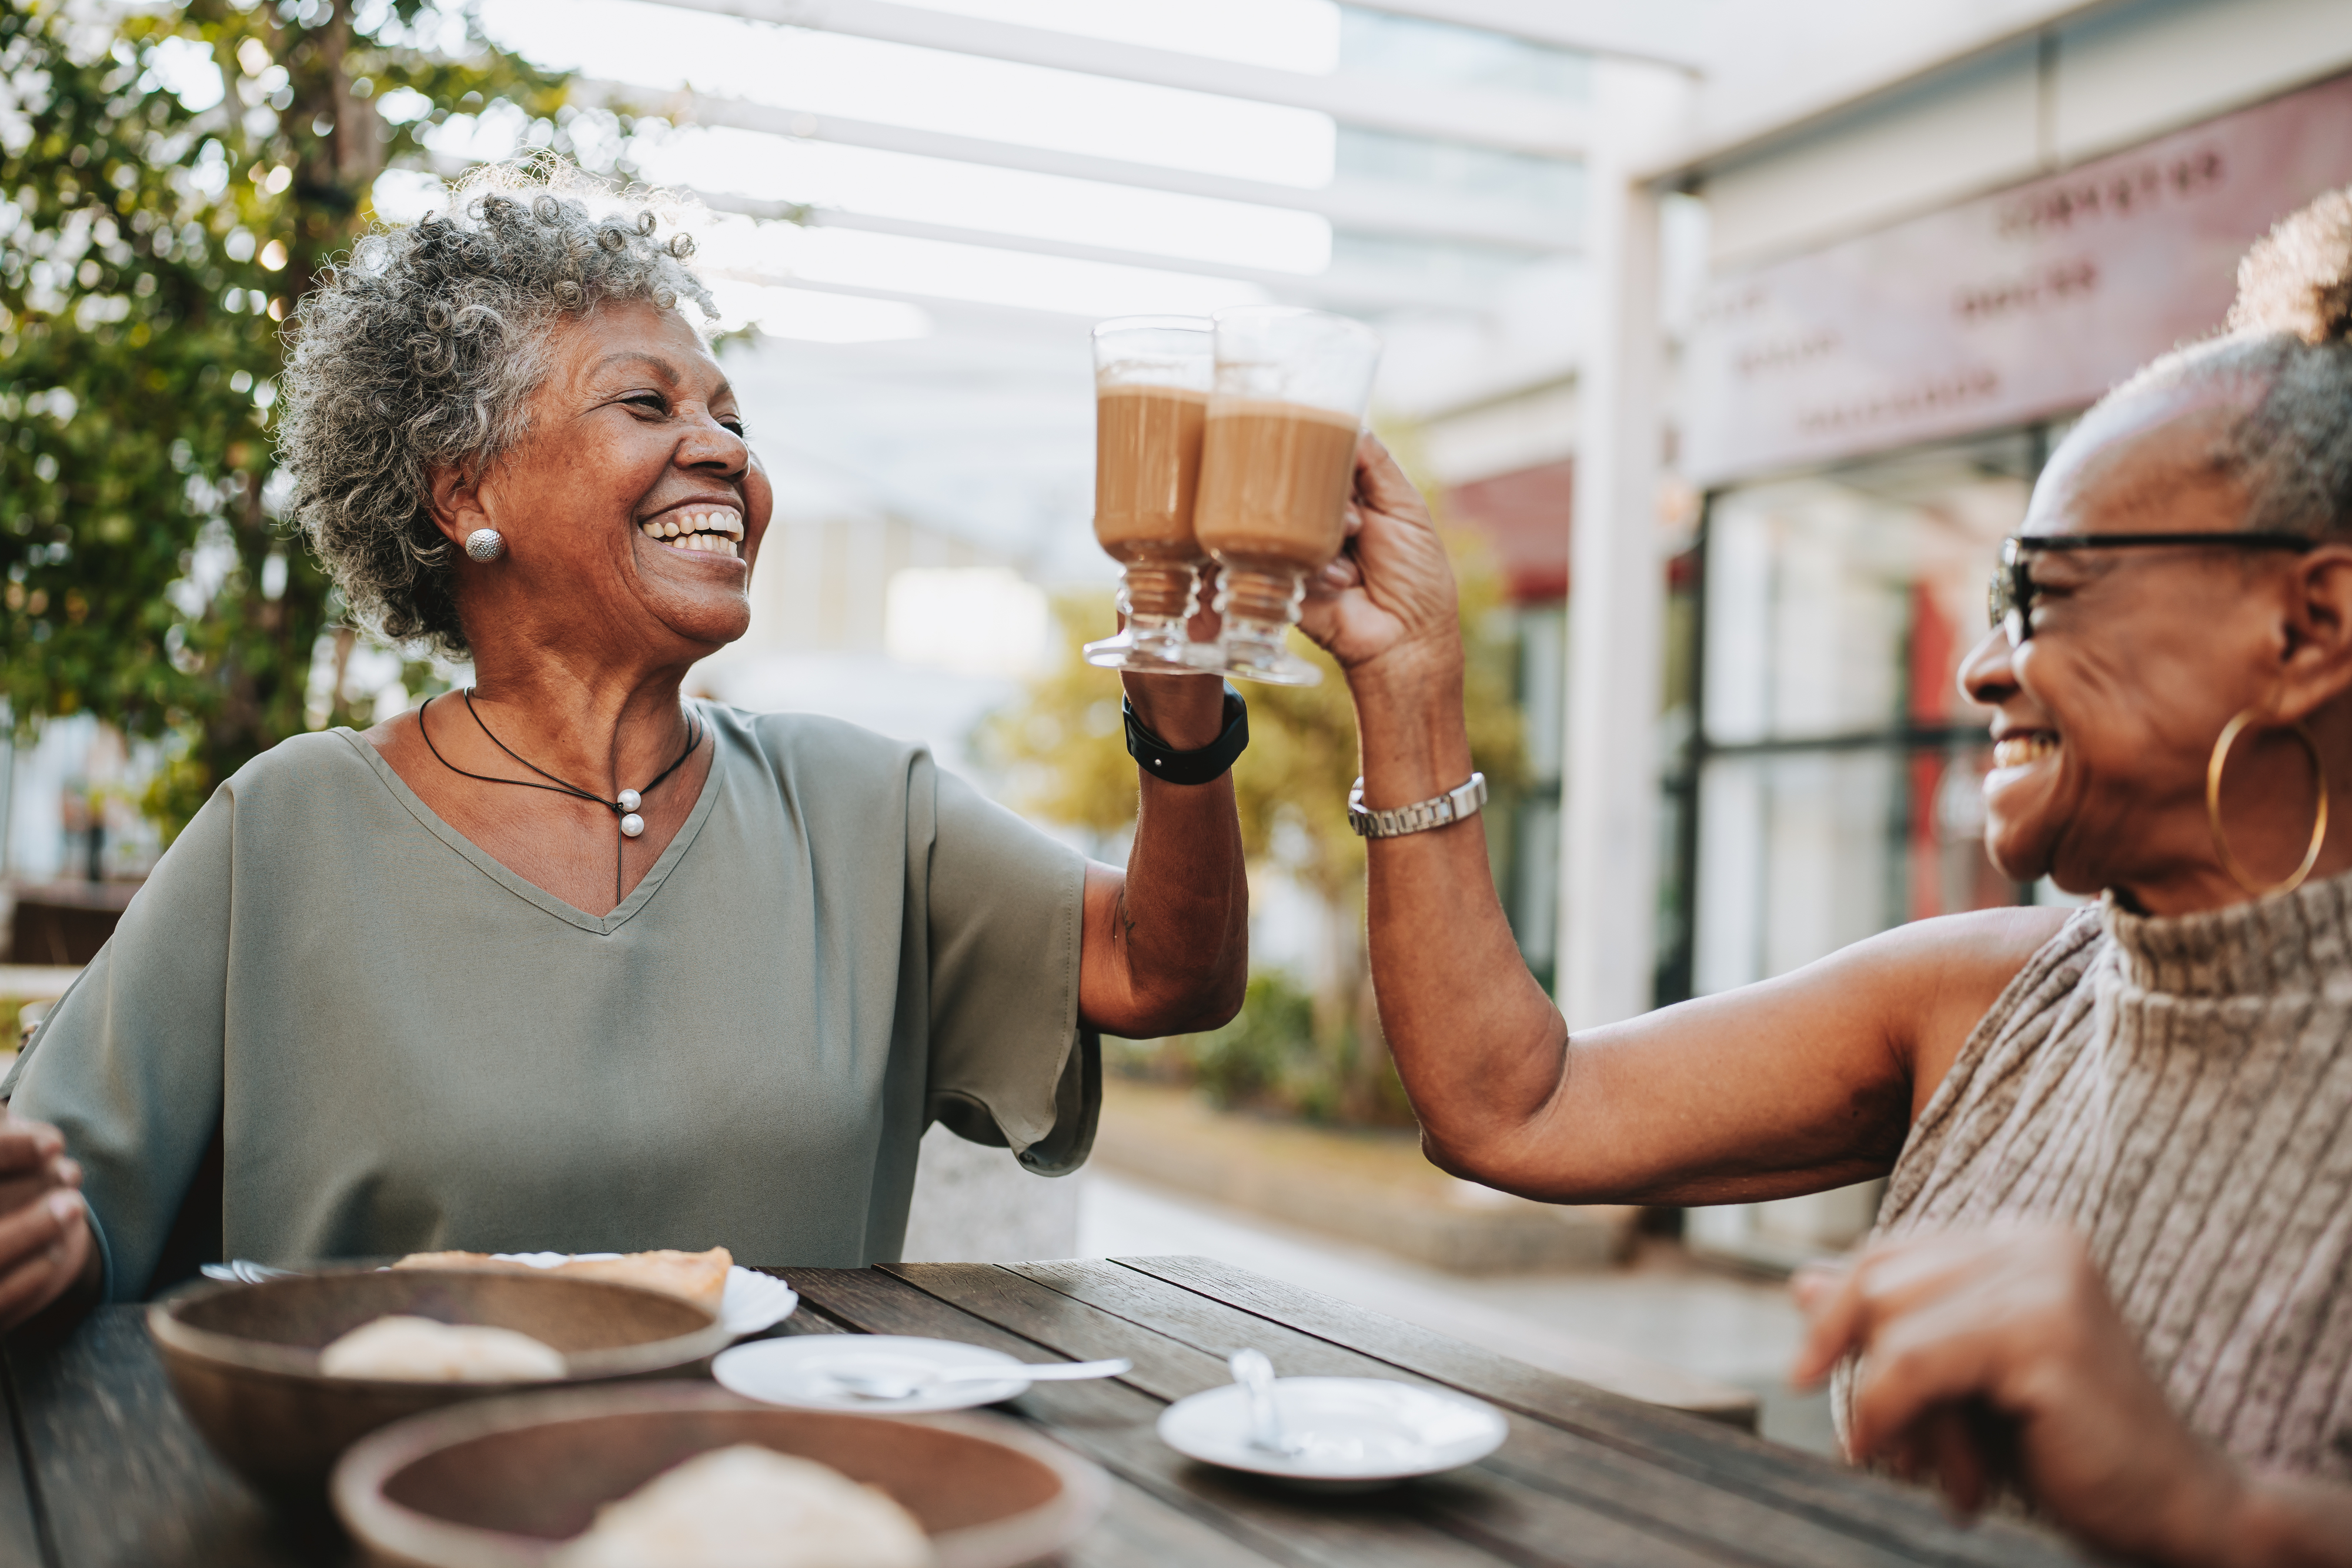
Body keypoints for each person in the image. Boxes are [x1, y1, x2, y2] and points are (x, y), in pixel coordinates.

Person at [0, 161, 1248, 1329]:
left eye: (731, 416)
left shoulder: (863, 811)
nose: (723, 450)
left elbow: (1165, 971)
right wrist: (45, 1238)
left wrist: (1182, 719)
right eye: (645, 403)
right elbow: (76, 1199)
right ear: (464, 494)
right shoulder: (286, 830)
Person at [1294, 189, 2352, 1565]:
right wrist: (1409, 674)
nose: (1983, 666)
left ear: (2306, 623)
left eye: (2047, 593)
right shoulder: (1983, 996)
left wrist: (2211, 1509)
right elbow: (1514, 1105)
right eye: (1994, 602)